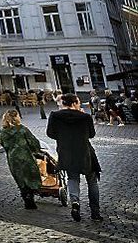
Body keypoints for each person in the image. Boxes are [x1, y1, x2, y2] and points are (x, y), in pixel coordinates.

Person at [47, 93, 102, 222]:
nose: (79, 104)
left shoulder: (55, 116)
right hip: (84, 152)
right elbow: (91, 134)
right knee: (92, 181)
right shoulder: (85, 117)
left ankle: (75, 203)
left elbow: (50, 133)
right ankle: (95, 212)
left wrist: (63, 139)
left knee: (72, 178)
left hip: (66, 152)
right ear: (73, 103)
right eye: (78, 102)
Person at [0, 109, 42, 210]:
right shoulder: (22, 129)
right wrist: (36, 150)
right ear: (16, 117)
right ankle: (30, 196)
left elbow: (4, 145)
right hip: (25, 157)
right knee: (30, 176)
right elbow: (33, 142)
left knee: (20, 178)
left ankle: (25, 196)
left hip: (13, 159)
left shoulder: (3, 132)